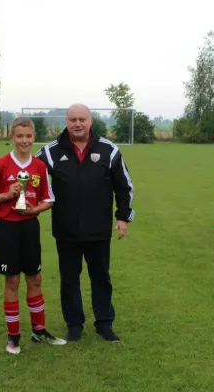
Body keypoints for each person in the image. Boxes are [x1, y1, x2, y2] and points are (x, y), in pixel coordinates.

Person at [35, 103, 134, 343]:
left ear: (90, 121)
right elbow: (29, 170)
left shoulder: (109, 150)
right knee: (69, 279)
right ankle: (74, 325)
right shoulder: (50, 152)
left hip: (98, 229)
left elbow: (124, 186)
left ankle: (104, 323)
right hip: (66, 229)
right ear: (66, 123)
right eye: (73, 120)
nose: (77, 124)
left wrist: (122, 217)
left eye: (82, 119)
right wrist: (4, 167)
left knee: (101, 277)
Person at [0, 117, 66, 354]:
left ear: (34, 137)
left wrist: (33, 209)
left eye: (28, 136)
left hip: (30, 227)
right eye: (20, 136)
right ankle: (13, 337)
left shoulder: (39, 167)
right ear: (12, 137)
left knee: (35, 278)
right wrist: (7, 195)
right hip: (7, 228)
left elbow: (49, 199)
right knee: (12, 281)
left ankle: (39, 331)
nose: (24, 141)